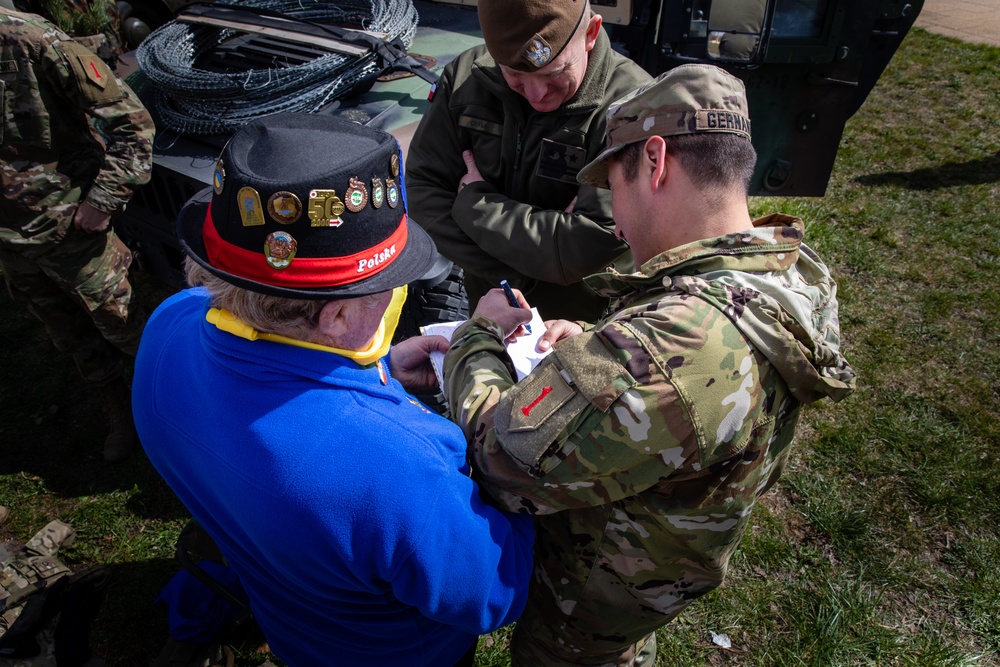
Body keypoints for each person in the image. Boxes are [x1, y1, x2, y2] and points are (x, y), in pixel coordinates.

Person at [442, 64, 857, 666]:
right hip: (653, 566)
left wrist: (476, 336)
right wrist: (592, 343)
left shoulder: (668, 351)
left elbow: (500, 457)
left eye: (617, 185)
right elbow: (684, 371)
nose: (614, 218)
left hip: (586, 605)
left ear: (655, 160)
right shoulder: (781, 271)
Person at [131, 113, 535, 667]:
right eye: (391, 286)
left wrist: (382, 368)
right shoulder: (393, 464)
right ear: (340, 315)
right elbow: (494, 594)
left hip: (291, 614)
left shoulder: (169, 324)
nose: (398, 296)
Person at [405, 0, 651, 322]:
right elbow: (424, 191)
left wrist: (472, 203)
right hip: (492, 317)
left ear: (590, 34)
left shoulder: (633, 104)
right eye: (514, 74)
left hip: (589, 327)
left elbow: (593, 241)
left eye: (556, 72)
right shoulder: (468, 80)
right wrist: (515, 277)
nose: (537, 94)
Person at [0, 6, 154, 463]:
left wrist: (102, 201)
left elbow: (134, 124)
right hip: (11, 243)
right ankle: (118, 408)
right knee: (67, 335)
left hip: (72, 229)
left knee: (128, 329)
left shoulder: (30, 41)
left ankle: (172, 411)